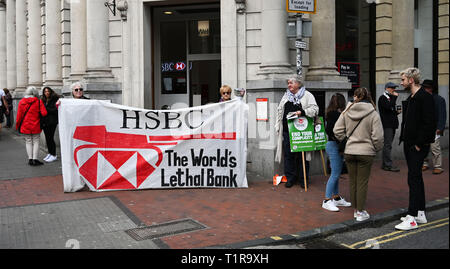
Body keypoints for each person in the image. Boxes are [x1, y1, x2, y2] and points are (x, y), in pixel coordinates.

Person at [333, 87, 384, 221]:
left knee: (353, 181)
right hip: (366, 152)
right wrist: (375, 148)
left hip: (350, 151)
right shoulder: (373, 113)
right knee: (362, 182)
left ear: (355, 96)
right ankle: (360, 212)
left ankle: (356, 209)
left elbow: (336, 130)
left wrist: (347, 140)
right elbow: (378, 137)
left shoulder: (346, 111)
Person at [395, 68, 436, 231]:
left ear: (411, 80)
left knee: (413, 178)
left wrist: (419, 144)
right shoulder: (411, 97)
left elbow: (429, 123)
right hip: (409, 143)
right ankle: (420, 213)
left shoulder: (424, 97)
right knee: (416, 178)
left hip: (417, 145)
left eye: (403, 80)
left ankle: (411, 217)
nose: (401, 82)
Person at [275, 76, 319, 189]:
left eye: (291, 83)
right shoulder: (286, 96)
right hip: (287, 131)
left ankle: (303, 179)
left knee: (302, 156)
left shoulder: (307, 95)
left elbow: (315, 109)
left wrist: (302, 112)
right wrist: (278, 125)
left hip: (302, 131)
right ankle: (290, 178)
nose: (289, 85)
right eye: (288, 83)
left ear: (298, 84)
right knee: (288, 155)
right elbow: (280, 111)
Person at [322, 93, 352, 212]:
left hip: (332, 145)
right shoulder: (336, 114)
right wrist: (339, 140)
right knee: (335, 173)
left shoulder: (330, 113)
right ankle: (327, 200)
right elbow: (330, 130)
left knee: (336, 172)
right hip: (334, 145)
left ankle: (336, 197)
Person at [15, 86, 48, 166]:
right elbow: (44, 113)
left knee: (28, 141)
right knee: (36, 141)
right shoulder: (38, 101)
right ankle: (35, 159)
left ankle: (30, 159)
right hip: (35, 125)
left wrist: (17, 125)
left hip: (25, 125)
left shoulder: (22, 101)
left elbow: (19, 116)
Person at [421, 79, 446, 175]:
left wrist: (440, 127)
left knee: (435, 148)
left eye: (425, 87)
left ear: (430, 88)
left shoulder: (439, 99)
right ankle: (425, 163)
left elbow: (442, 115)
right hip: (424, 128)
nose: (424, 89)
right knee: (424, 147)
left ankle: (438, 166)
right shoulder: (422, 98)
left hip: (435, 128)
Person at [378, 82, 401, 172]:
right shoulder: (383, 98)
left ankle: (385, 164)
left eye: (394, 88)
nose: (393, 90)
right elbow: (388, 107)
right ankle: (387, 165)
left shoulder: (389, 98)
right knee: (388, 145)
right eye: (392, 88)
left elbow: (390, 111)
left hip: (392, 124)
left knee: (388, 145)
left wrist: (396, 112)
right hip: (387, 125)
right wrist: (395, 97)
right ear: (387, 88)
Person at [41, 87, 60, 163]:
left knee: (51, 138)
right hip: (45, 122)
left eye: (48, 91)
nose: (47, 93)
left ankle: (54, 155)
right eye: (45, 91)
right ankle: (50, 153)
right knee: (47, 138)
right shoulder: (43, 100)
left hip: (52, 122)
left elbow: (55, 110)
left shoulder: (55, 99)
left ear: (50, 91)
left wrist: (45, 108)